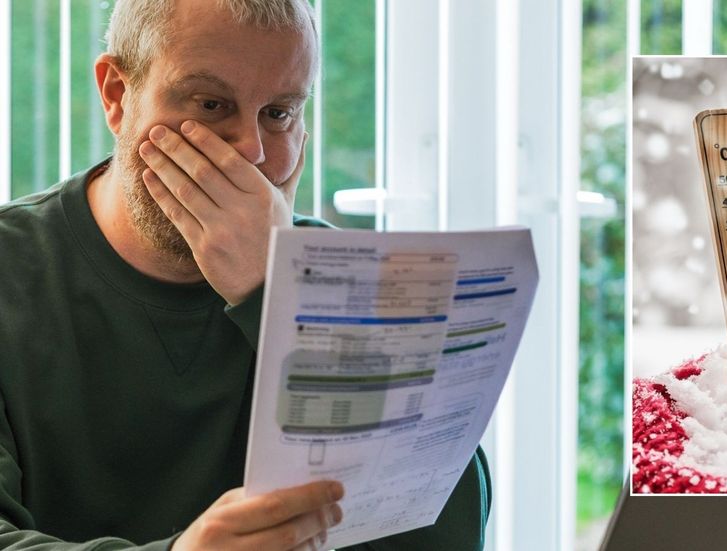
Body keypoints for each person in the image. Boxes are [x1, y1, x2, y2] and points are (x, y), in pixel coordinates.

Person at [0, 0, 490, 549]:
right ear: (116, 94)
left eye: (279, 113)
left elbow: (444, 532)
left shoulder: (352, 282)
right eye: (211, 105)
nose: (251, 152)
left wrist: (280, 294)